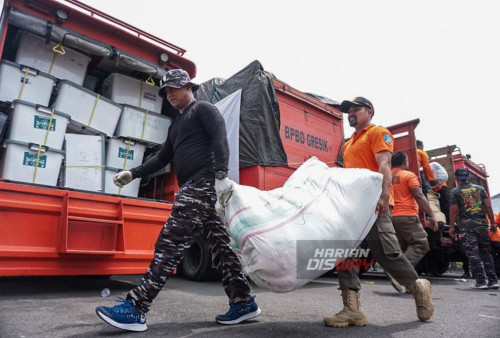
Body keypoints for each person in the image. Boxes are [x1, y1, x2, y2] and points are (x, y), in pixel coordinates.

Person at [95, 69, 261, 332]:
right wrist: (133, 173)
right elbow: (162, 159)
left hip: (202, 184)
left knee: (170, 243)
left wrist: (220, 176)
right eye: (166, 91)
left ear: (188, 86)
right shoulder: (176, 126)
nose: (170, 94)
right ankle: (243, 302)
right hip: (197, 188)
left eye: (174, 88)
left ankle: (137, 308)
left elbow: (220, 138)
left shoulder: (204, 109)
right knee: (222, 250)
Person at [323, 97, 434, 328]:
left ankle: (417, 286)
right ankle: (351, 310)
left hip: (374, 202)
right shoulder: (349, 143)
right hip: (353, 205)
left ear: (369, 112)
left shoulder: (378, 132)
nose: (351, 113)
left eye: (356, 109)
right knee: (346, 255)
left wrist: (384, 195)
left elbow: (384, 165)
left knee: (386, 252)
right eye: (348, 111)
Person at [390, 151, 438, 291]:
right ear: (405, 162)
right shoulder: (408, 175)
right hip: (407, 216)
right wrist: (432, 215)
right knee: (420, 244)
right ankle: (398, 273)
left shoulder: (386, 176)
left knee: (405, 249)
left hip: (391, 217)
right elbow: (418, 195)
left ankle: (408, 284)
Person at [449, 167, 499, 289]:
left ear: (456, 178)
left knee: (473, 254)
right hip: (482, 225)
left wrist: (451, 227)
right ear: (468, 177)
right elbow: (488, 206)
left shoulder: (455, 191)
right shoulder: (480, 189)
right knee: (486, 253)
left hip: (467, 226)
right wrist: (492, 223)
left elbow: (454, 211)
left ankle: (481, 282)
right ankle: (493, 281)